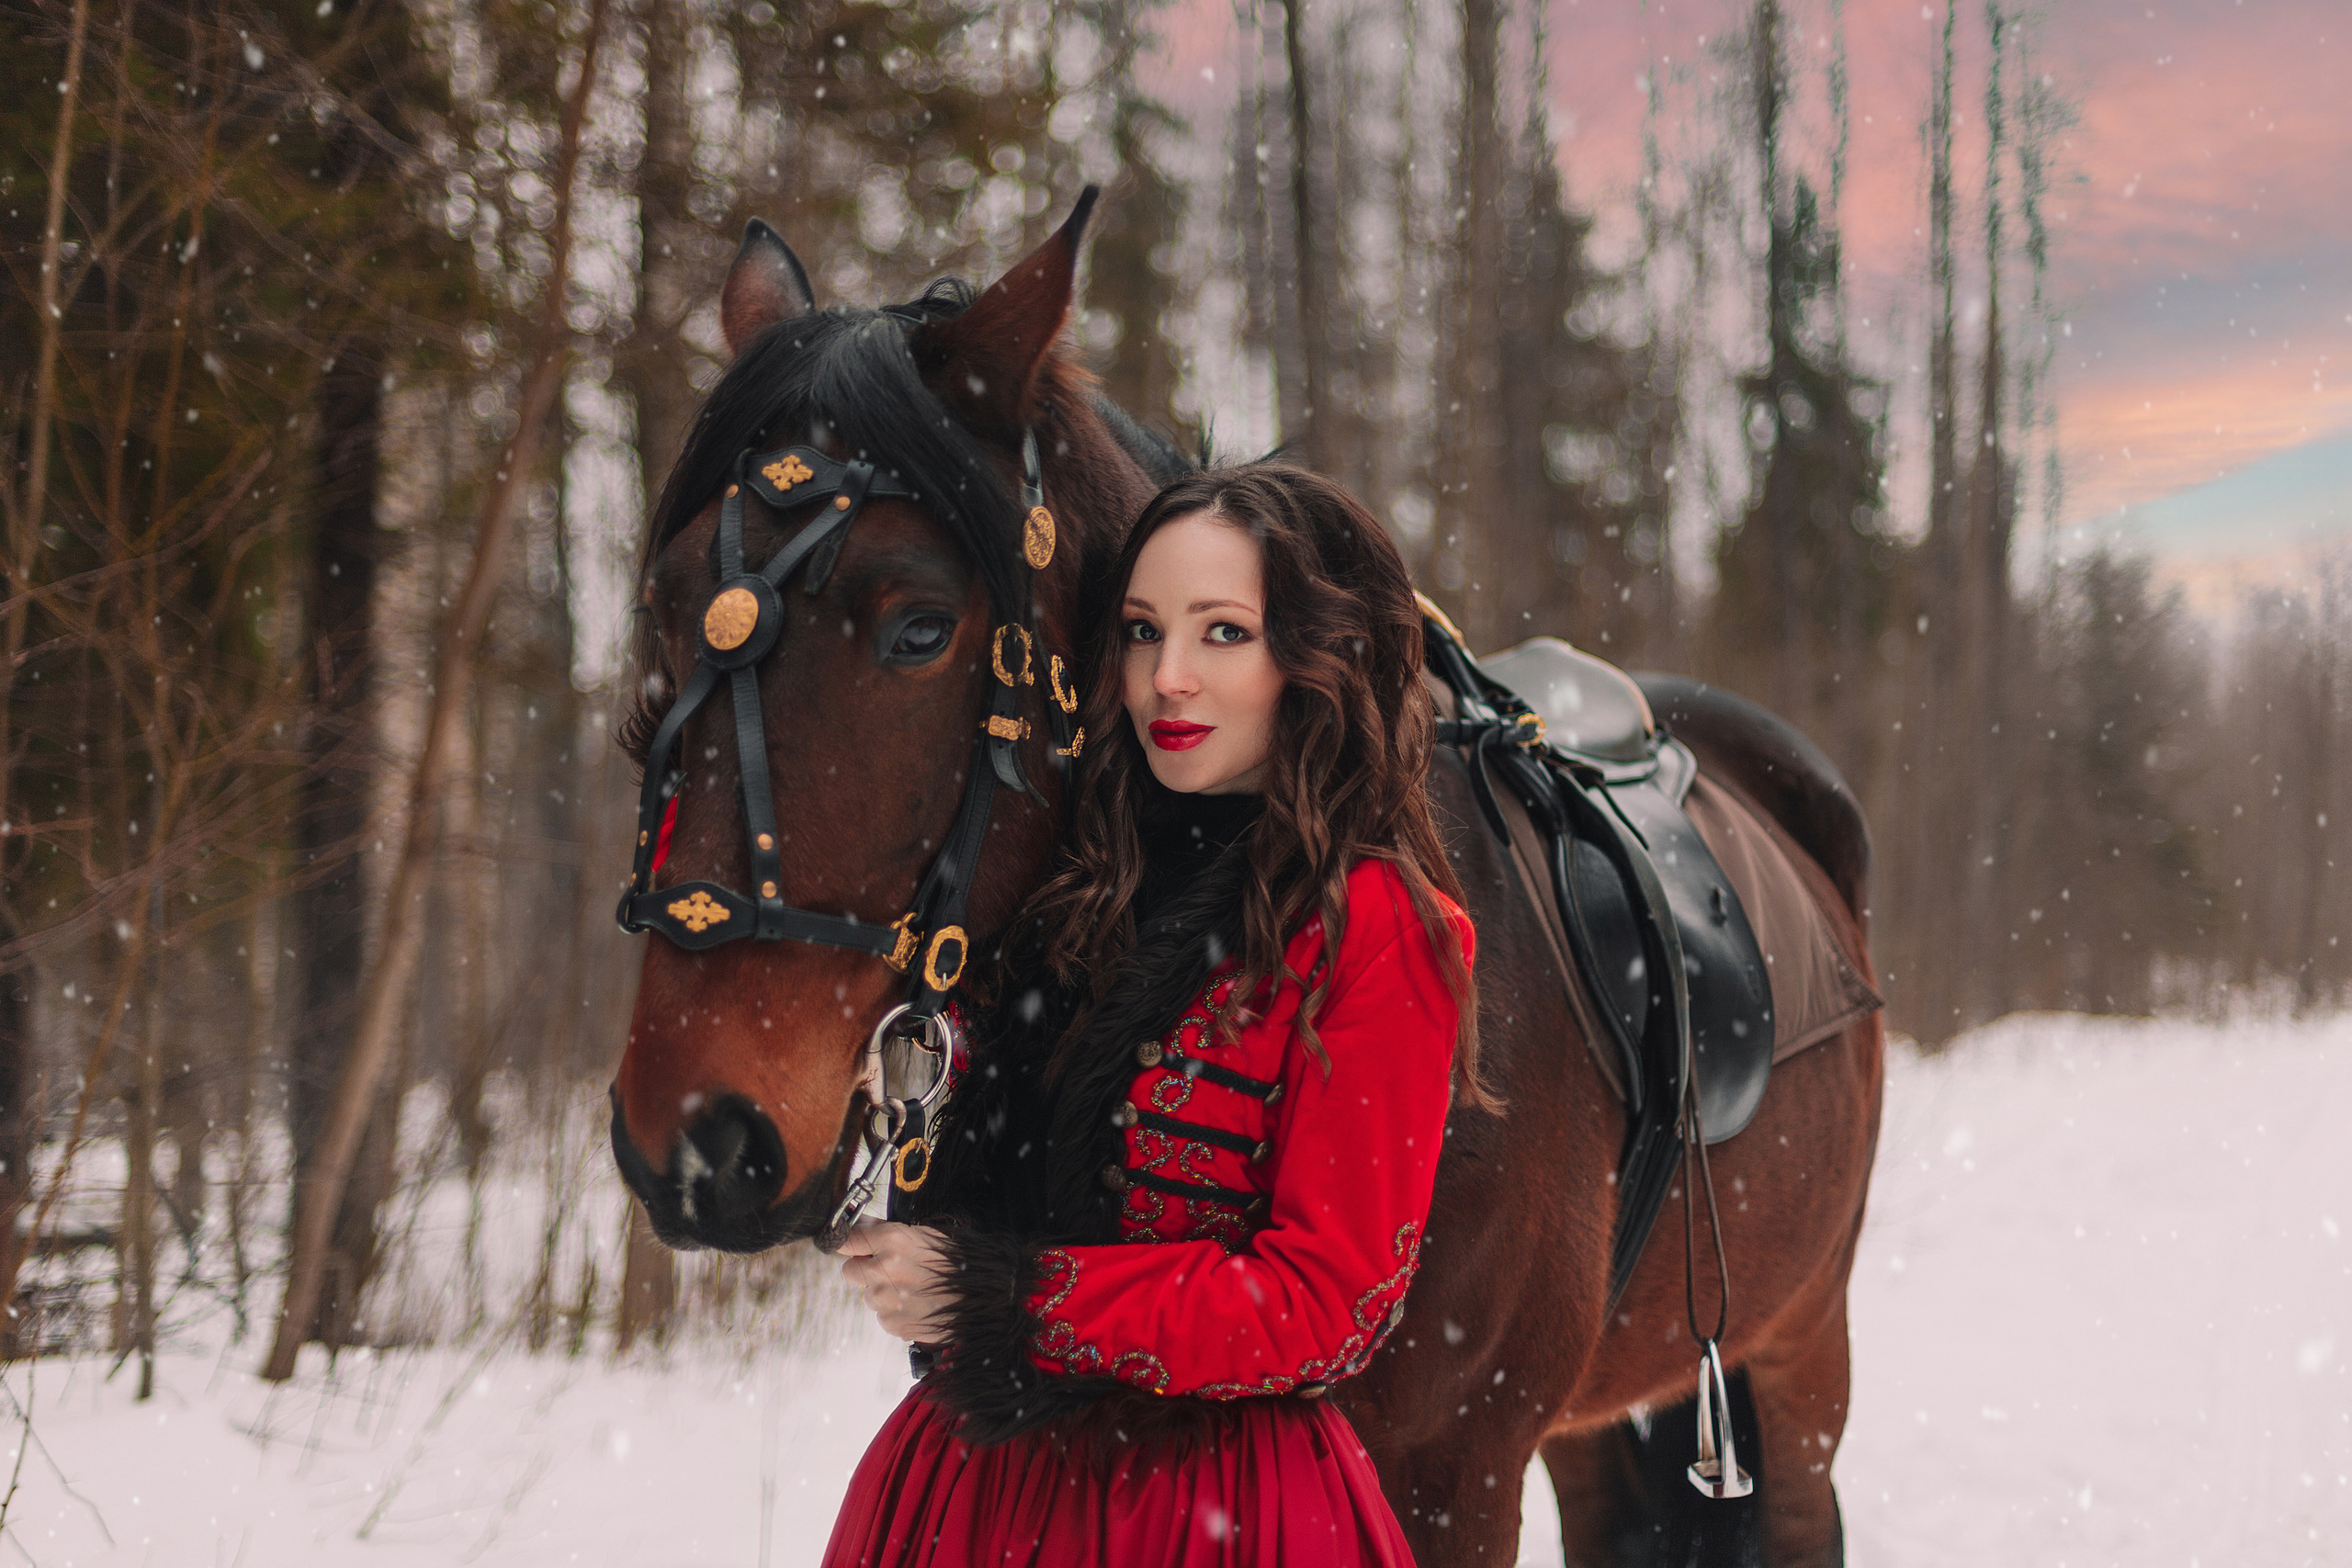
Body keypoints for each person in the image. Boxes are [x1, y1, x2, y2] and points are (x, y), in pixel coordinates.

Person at [828, 464, 1485, 1566]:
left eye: (1223, 633)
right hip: (965, 1487)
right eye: (1141, 632)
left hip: (1210, 1508)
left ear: (1319, 655)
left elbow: (1326, 1308)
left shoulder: (1377, 928)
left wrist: (1011, 1299)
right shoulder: (1061, 879)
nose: (1166, 678)